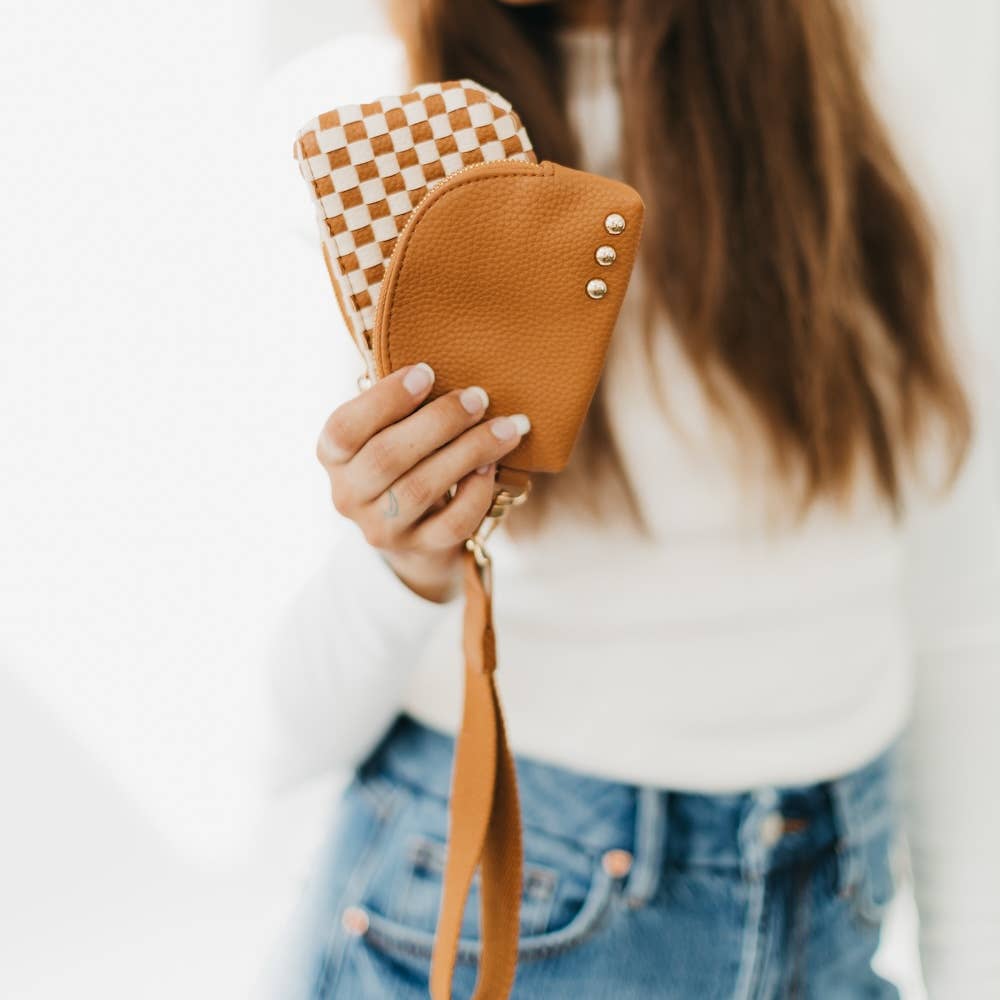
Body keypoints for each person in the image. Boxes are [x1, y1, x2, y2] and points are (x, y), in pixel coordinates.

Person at [264, 1, 1000, 996]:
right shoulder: (369, 127)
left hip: (835, 905)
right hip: (503, 902)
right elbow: (271, 738)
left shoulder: (880, 103)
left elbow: (961, 615)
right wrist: (403, 563)